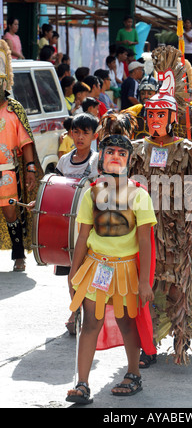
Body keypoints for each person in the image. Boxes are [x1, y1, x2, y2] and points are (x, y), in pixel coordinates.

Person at [129, 45, 192, 366]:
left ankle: (180, 340)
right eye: (150, 114)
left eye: (160, 115)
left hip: (179, 229)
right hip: (144, 229)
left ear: (171, 118)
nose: (154, 120)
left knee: (176, 285)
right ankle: (147, 344)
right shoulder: (137, 149)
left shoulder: (187, 148)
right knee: (146, 285)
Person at [66, 111, 157, 404]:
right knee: (89, 323)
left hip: (127, 271)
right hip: (95, 267)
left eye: (121, 152)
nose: (115, 156)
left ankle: (134, 374)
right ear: (101, 156)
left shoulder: (140, 196)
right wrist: (73, 271)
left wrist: (145, 282)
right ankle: (81, 384)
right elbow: (82, 236)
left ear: (130, 159)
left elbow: (145, 241)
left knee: (126, 322)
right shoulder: (90, 195)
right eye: (109, 152)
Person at [0, 39, 43, 271]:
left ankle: (18, 256)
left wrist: (30, 168)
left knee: (11, 213)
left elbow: (26, 142)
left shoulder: (14, 108)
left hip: (7, 172)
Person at [55, 113, 100, 334]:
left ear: (94, 135)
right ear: (70, 133)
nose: (80, 137)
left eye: (85, 133)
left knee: (85, 269)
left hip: (88, 226)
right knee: (71, 268)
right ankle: (74, 311)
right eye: (76, 132)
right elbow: (53, 187)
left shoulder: (97, 161)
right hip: (66, 226)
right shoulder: (64, 161)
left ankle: (82, 313)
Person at [124, 74, 159, 139]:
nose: (146, 96)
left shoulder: (162, 111)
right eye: (143, 93)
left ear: (156, 93)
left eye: (149, 93)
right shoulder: (137, 109)